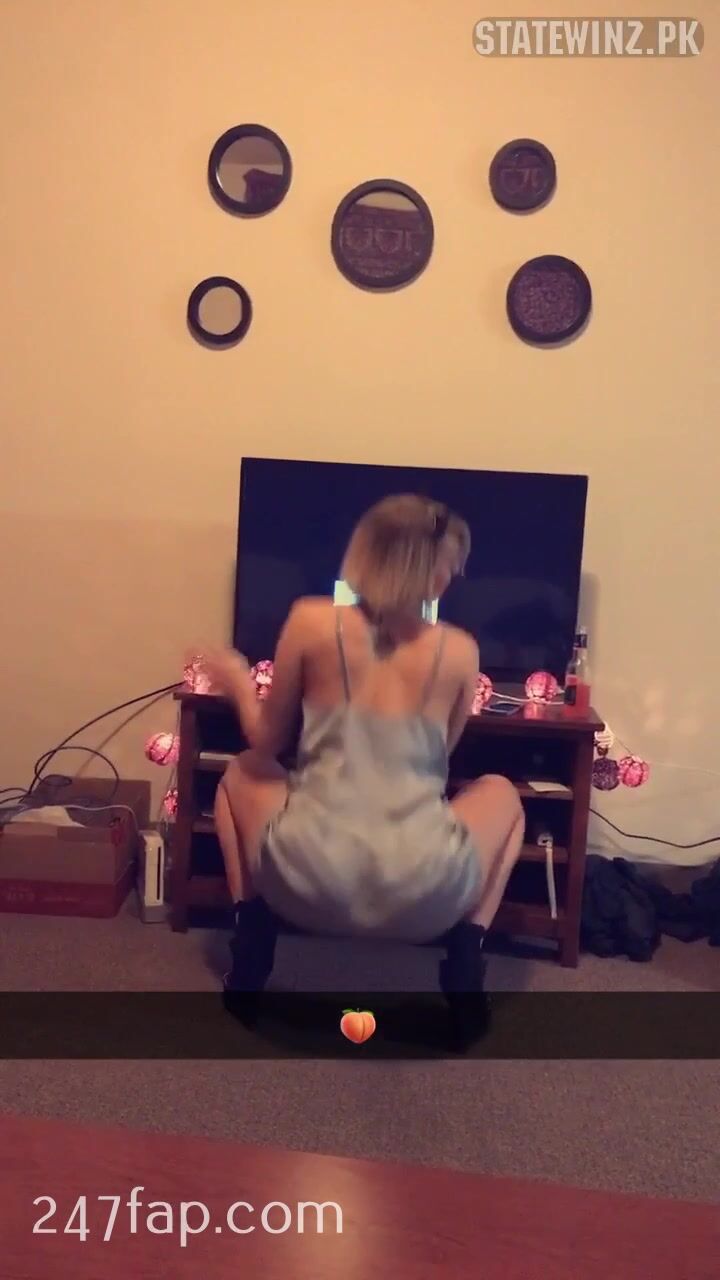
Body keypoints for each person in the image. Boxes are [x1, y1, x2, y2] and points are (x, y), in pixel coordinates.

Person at [200, 495, 525, 1028]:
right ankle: (466, 955)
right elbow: (438, 760)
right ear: (429, 570)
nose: (453, 577)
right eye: (450, 566)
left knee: (240, 772)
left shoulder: (309, 621)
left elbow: (264, 741)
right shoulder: (462, 651)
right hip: (426, 897)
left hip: (305, 883)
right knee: (504, 795)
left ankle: (253, 933)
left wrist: (236, 679)